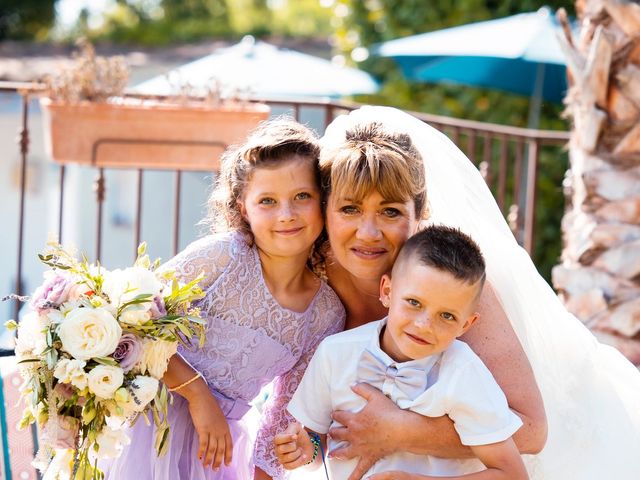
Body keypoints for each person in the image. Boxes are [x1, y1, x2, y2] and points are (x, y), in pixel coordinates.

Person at [286, 107, 640, 480]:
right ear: (325, 209)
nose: (369, 232)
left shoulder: (451, 288)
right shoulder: (311, 274)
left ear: (419, 213)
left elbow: (534, 430)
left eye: (390, 212)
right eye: (350, 209)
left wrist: (403, 431)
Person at [101, 118, 345, 479]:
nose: (286, 214)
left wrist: (294, 452)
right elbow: (134, 323)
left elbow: (286, 416)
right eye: (267, 201)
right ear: (243, 207)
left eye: (302, 197)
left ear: (323, 201)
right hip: (149, 427)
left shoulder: (326, 313)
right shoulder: (222, 257)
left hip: (219, 452)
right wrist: (197, 394)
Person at [275, 225, 529, 480]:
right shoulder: (334, 353)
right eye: (414, 303)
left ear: (466, 325)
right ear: (387, 291)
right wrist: (305, 452)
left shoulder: (463, 372)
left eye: (447, 316)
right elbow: (315, 446)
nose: (424, 325)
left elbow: (512, 474)